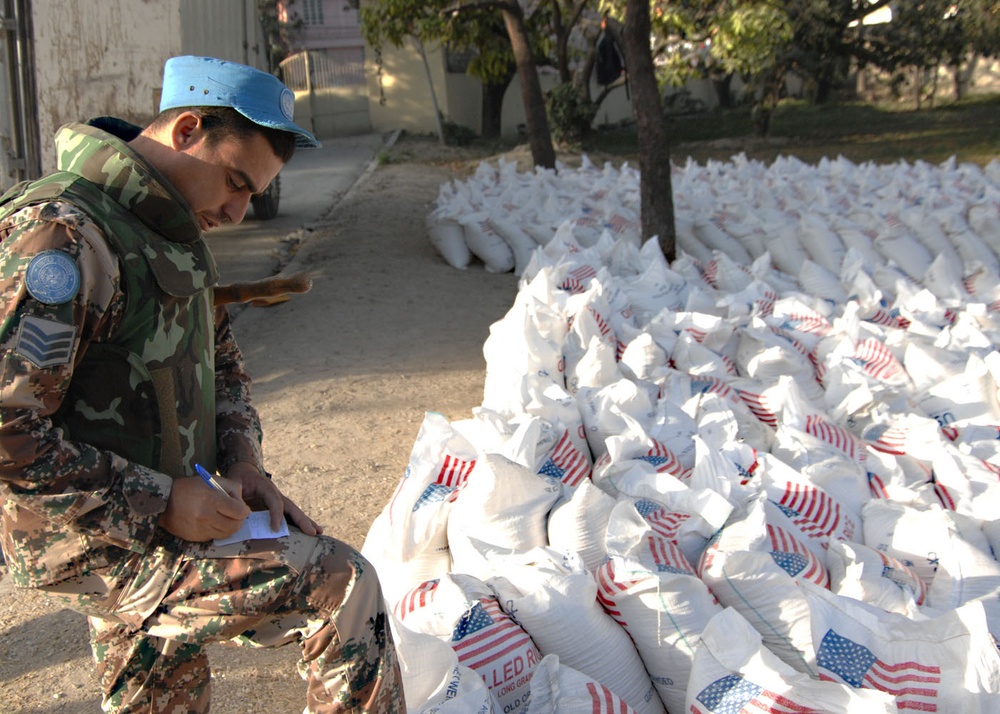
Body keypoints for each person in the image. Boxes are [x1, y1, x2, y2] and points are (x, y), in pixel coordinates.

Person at [0, 56, 404, 713]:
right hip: (93, 531)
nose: (240, 211)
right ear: (187, 129)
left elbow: (221, 362)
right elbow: (7, 428)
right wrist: (163, 499)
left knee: (163, 697)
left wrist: (242, 465)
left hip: (160, 510)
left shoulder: (169, 232)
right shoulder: (64, 237)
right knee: (340, 585)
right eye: (236, 183)